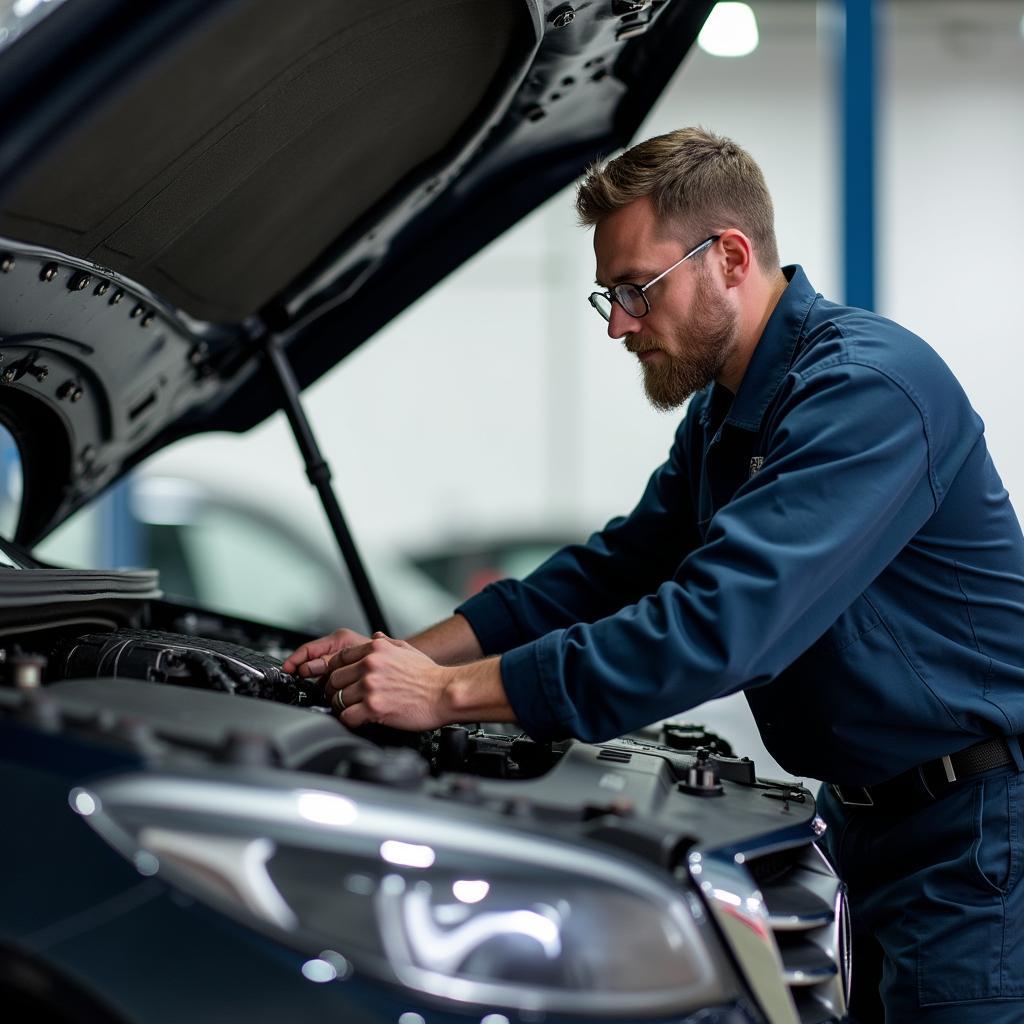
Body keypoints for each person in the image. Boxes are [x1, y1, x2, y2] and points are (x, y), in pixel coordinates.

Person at [283, 127, 1024, 1023]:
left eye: (636, 289)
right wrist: (395, 658)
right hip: (871, 825)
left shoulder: (866, 394)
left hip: (980, 836)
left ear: (731, 258)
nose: (619, 324)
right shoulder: (730, 413)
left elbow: (717, 630)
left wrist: (444, 697)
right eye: (609, 295)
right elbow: (604, 576)